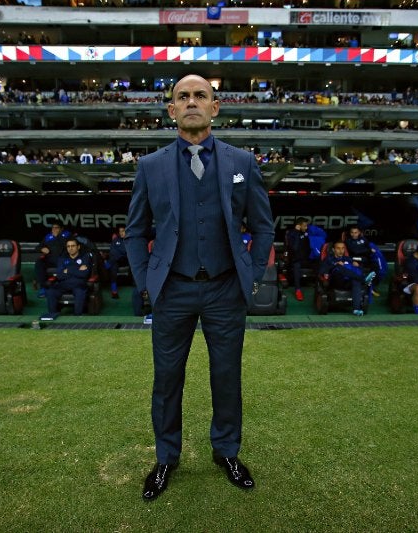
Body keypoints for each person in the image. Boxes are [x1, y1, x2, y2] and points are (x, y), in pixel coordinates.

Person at [125, 74, 274, 501]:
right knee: (167, 379)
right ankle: (166, 457)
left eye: (200, 96)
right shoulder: (150, 166)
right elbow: (135, 232)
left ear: (215, 107)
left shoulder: (242, 163)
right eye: (183, 97)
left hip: (226, 291)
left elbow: (263, 226)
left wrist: (253, 271)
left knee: (226, 376)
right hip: (173, 291)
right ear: (171, 110)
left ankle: (226, 451)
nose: (192, 102)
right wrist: (146, 280)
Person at [318, 241, 376, 316]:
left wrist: (356, 265)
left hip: (347, 282)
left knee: (356, 281)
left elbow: (357, 269)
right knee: (339, 268)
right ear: (333, 250)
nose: (341, 251)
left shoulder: (347, 259)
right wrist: (335, 264)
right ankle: (363, 280)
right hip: (335, 282)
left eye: (342, 248)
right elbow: (321, 271)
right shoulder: (328, 259)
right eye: (338, 248)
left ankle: (356, 309)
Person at [41, 236, 91, 320]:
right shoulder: (62, 258)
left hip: (78, 284)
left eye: (73, 246)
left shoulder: (85, 257)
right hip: (64, 283)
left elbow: (85, 274)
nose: (70, 248)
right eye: (68, 246)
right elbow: (60, 275)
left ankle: (77, 317)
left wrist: (67, 270)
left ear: (78, 247)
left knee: (80, 292)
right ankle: (53, 316)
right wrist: (77, 270)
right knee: (51, 291)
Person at [285, 217, 326, 301]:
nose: (306, 228)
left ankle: (319, 287)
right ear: (298, 226)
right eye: (304, 226)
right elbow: (295, 248)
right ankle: (298, 290)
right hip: (296, 260)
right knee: (296, 266)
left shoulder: (307, 232)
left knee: (320, 260)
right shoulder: (291, 234)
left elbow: (323, 235)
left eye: (307, 226)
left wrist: (310, 228)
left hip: (307, 259)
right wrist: (297, 232)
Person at [345, 225, 386, 294]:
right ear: (350, 233)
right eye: (352, 232)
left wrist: (368, 251)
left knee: (376, 267)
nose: (354, 234)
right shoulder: (348, 241)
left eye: (356, 232)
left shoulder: (363, 239)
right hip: (354, 259)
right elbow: (355, 251)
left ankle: (371, 285)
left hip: (365, 259)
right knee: (359, 270)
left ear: (359, 233)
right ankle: (361, 286)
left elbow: (368, 247)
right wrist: (368, 251)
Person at [34, 223, 71, 298]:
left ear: (61, 229)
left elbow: (68, 246)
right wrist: (42, 248)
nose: (54, 229)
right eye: (52, 228)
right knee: (39, 262)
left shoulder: (67, 235)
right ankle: (43, 288)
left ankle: (64, 288)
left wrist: (58, 237)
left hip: (63, 259)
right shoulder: (48, 237)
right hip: (50, 260)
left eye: (56, 227)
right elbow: (38, 247)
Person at [106, 224, 128, 299]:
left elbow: (126, 252)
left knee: (112, 261)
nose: (121, 233)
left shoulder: (130, 240)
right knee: (113, 268)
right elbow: (112, 251)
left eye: (123, 231)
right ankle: (114, 292)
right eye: (120, 231)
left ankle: (104, 266)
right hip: (115, 260)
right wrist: (120, 252)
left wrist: (119, 252)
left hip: (126, 260)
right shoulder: (116, 240)